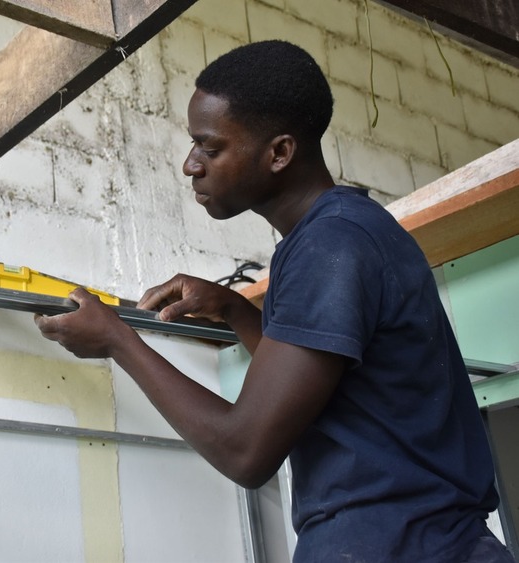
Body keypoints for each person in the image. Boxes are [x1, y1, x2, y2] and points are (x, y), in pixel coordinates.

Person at [34, 40, 514, 562]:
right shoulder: (329, 236)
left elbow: (246, 451)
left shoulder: (333, 245)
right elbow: (317, 390)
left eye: (209, 147)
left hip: (401, 545)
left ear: (279, 153)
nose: (189, 165)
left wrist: (118, 341)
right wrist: (237, 310)